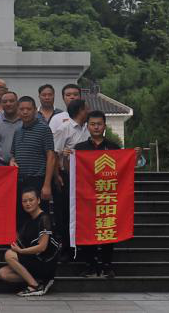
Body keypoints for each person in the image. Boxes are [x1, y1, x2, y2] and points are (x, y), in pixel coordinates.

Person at [74, 110, 122, 279]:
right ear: (87, 126)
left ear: (104, 126)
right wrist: (67, 158)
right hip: (86, 198)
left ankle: (107, 265)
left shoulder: (114, 147)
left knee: (107, 229)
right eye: (93, 124)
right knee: (88, 230)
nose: (96, 127)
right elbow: (72, 171)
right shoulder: (79, 148)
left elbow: (122, 170)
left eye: (99, 124)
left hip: (106, 196)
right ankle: (91, 265)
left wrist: (134, 157)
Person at [0, 187, 60, 296]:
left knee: (9, 255)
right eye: (24, 201)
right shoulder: (29, 221)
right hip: (34, 261)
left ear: (38, 200)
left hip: (44, 262)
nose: (28, 203)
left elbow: (42, 247)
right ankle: (39, 280)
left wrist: (20, 251)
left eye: (31, 200)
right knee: (4, 273)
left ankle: (35, 286)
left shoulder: (44, 219)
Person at [9, 96, 56, 220]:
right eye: (22, 109)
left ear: (35, 110)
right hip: (20, 181)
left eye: (28, 109)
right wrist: (12, 162)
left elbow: (51, 157)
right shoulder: (17, 131)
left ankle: (43, 239)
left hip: (38, 181)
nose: (25, 112)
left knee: (40, 216)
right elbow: (13, 155)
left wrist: (47, 185)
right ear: (18, 111)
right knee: (21, 216)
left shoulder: (44, 129)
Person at [51, 98, 89, 246]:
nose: (88, 111)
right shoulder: (64, 128)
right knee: (64, 213)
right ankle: (66, 246)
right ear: (80, 110)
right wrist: (56, 176)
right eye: (86, 108)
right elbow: (54, 154)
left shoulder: (87, 128)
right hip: (65, 175)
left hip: (83, 177)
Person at [0, 91, 22, 164]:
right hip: (2, 166)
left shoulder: (25, 122)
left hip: (22, 166)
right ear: (1, 104)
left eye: (11, 101)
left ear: (17, 103)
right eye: (5, 102)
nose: (8, 104)